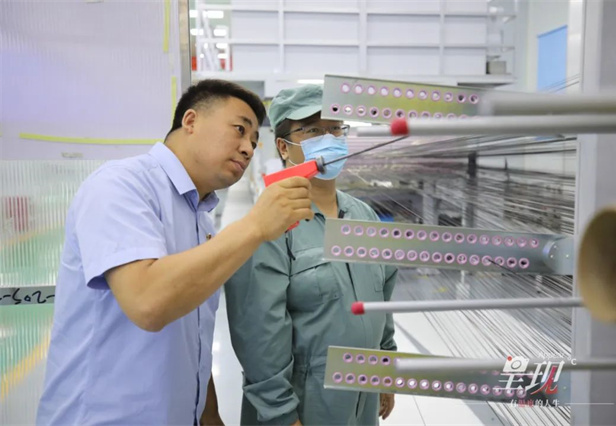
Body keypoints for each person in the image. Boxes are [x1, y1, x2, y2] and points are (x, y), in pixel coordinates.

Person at [36, 80, 314, 425]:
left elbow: (191, 336)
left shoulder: (199, 217)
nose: (247, 149)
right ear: (191, 121)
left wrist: (209, 416)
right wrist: (255, 225)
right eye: (240, 130)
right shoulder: (121, 186)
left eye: (255, 142)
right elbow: (148, 302)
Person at [225, 84, 398, 426]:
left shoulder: (363, 215)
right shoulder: (270, 224)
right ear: (283, 147)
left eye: (335, 129)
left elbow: (382, 299)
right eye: (314, 131)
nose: (329, 139)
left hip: (361, 399)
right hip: (305, 403)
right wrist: (281, 413)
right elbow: (258, 332)